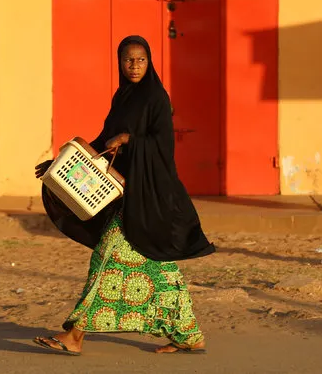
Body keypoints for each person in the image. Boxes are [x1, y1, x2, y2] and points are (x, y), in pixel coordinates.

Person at [33, 35, 216, 356]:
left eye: (141, 59)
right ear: (119, 63)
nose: (134, 66)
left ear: (150, 62)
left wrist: (131, 138)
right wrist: (58, 163)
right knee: (157, 265)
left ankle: (75, 336)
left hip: (150, 194)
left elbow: (163, 146)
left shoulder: (156, 97)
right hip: (125, 196)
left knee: (105, 256)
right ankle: (189, 334)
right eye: (128, 60)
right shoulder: (123, 96)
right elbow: (103, 143)